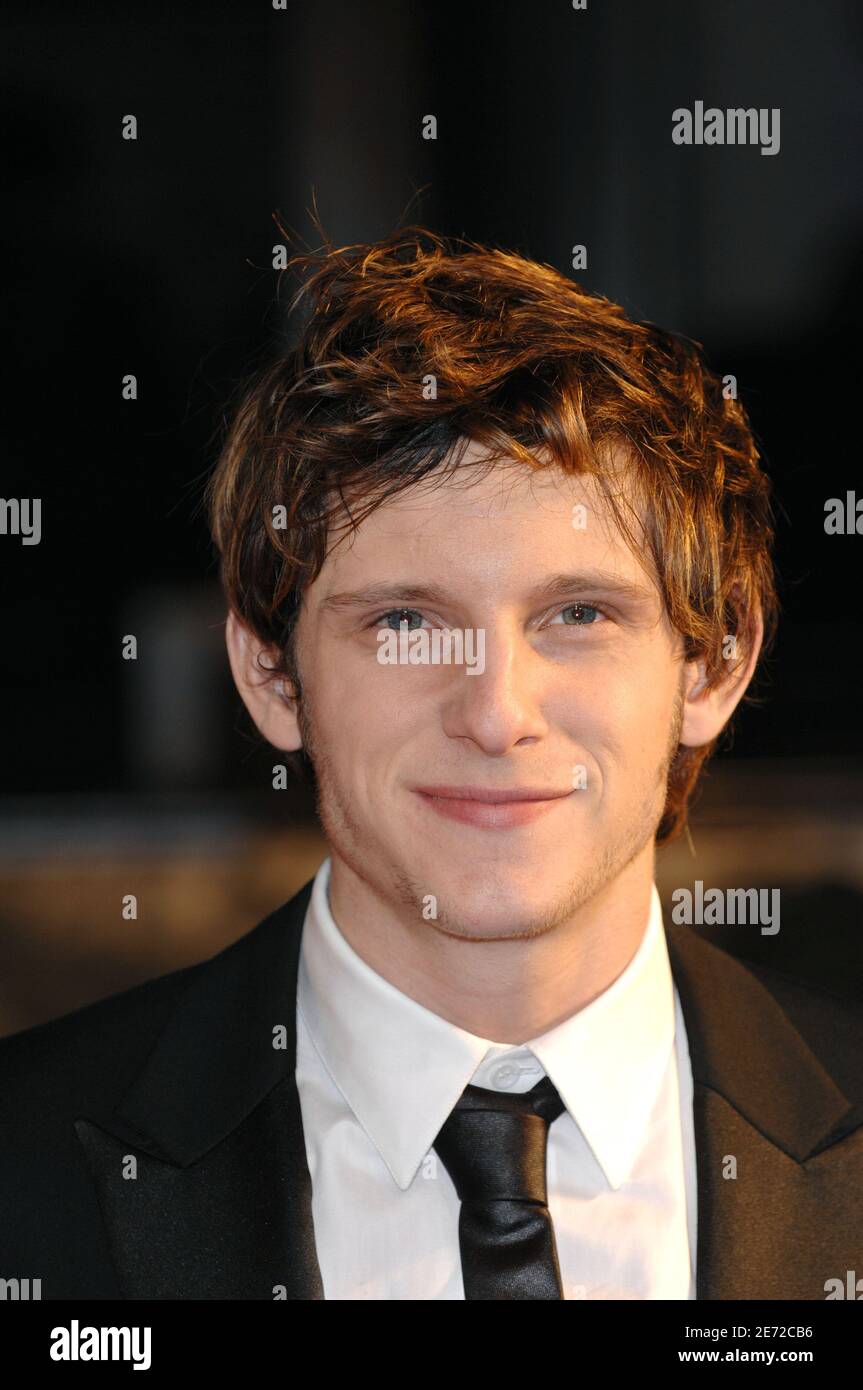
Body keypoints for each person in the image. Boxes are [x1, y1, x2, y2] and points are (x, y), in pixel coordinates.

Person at [2, 228, 861, 1300]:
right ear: (272, 675)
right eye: (406, 621)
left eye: (578, 613)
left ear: (712, 666)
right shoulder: (22, 1173)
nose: (495, 714)